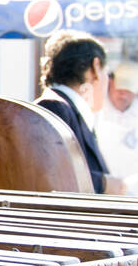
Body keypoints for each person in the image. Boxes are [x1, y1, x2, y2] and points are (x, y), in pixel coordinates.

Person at [34, 31, 123, 194]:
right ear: (95, 67)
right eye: (106, 73)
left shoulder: (64, 108)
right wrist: (103, 184)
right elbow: (49, 176)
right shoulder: (54, 107)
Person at [94, 60, 138, 192]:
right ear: (110, 83)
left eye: (128, 89)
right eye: (120, 88)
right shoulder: (96, 110)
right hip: (103, 187)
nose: (123, 94)